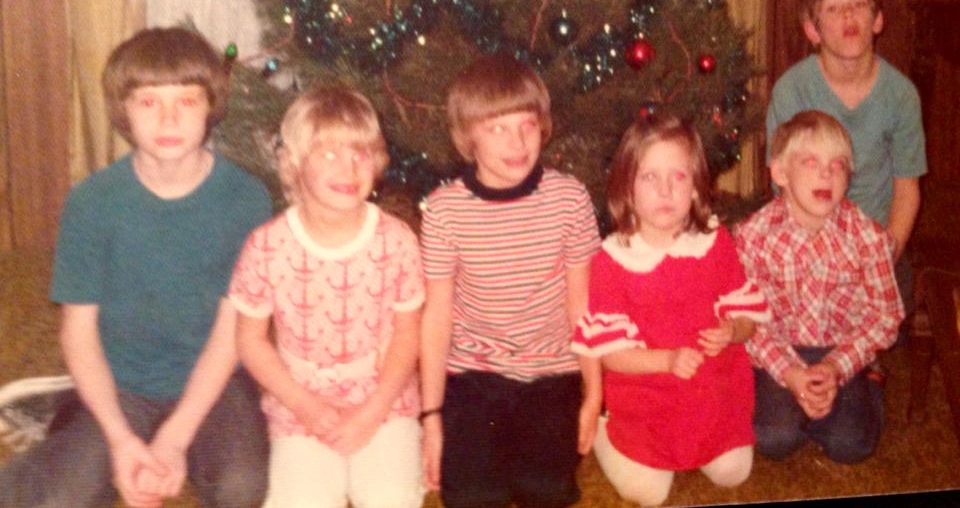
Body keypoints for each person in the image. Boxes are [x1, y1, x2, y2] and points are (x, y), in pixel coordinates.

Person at [0, 27, 272, 508]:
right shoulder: (91, 202)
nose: (169, 118)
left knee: (242, 486)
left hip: (215, 382)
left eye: (186, 101)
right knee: (56, 496)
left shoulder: (245, 200)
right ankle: (73, 413)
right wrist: (121, 441)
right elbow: (78, 332)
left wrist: (175, 438)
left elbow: (232, 333)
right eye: (149, 102)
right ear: (123, 110)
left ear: (210, 106)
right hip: (120, 382)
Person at [419, 54, 602, 508]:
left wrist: (594, 395)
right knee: (472, 496)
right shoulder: (444, 211)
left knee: (547, 491)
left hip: (551, 372)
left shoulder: (569, 198)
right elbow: (437, 318)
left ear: (543, 126)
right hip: (474, 373)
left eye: (527, 125)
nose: (517, 141)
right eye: (497, 128)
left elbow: (582, 305)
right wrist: (431, 415)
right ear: (468, 137)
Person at [229, 86, 424, 508]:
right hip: (300, 401)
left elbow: (408, 333)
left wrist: (372, 412)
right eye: (329, 154)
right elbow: (250, 340)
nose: (348, 168)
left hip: (383, 399)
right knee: (302, 500)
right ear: (295, 164)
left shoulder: (397, 240)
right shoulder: (267, 246)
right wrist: (306, 406)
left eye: (360, 153)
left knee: (391, 497)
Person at [572, 113, 769, 507]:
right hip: (647, 398)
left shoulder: (714, 243)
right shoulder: (614, 260)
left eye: (678, 176)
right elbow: (612, 355)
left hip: (710, 397)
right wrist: (667, 360)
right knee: (649, 493)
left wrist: (733, 329)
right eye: (649, 178)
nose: (665, 190)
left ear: (695, 188)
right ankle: (610, 434)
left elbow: (749, 318)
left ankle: (701, 445)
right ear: (628, 191)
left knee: (734, 472)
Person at [736, 110, 904, 463]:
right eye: (810, 162)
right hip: (781, 351)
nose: (826, 173)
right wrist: (790, 373)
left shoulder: (867, 236)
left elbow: (886, 316)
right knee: (772, 440)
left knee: (852, 446)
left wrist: (836, 367)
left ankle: (871, 385)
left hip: (842, 350)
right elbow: (747, 321)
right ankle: (802, 412)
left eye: (838, 165)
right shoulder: (753, 236)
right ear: (781, 173)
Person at [766, 0, 926, 268]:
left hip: (875, 242)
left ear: (877, 20)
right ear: (813, 31)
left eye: (859, 5)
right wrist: (812, 257)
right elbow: (783, 185)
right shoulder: (791, 90)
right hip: (807, 239)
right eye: (833, 9)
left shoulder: (901, 94)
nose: (848, 15)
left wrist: (885, 257)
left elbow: (907, 190)